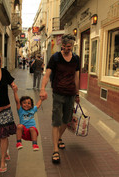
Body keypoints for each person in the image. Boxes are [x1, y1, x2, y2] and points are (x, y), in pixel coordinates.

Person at [39, 34, 80, 164]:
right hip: (58, 93)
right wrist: (42, 88)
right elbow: (47, 75)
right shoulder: (55, 58)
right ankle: (55, 149)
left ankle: (58, 138)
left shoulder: (76, 59)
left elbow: (76, 77)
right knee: (56, 120)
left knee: (66, 120)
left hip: (71, 93)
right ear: (62, 45)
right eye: (66, 46)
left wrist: (77, 94)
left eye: (70, 46)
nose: (68, 48)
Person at [12, 86, 43, 151]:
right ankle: (18, 143)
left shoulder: (32, 110)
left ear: (31, 105)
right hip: (23, 132)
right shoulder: (20, 110)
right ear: (21, 104)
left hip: (32, 133)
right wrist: (15, 92)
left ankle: (34, 144)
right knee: (19, 126)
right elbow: (17, 101)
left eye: (29, 103)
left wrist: (41, 99)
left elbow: (38, 105)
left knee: (32, 128)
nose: (27, 104)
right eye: (24, 103)